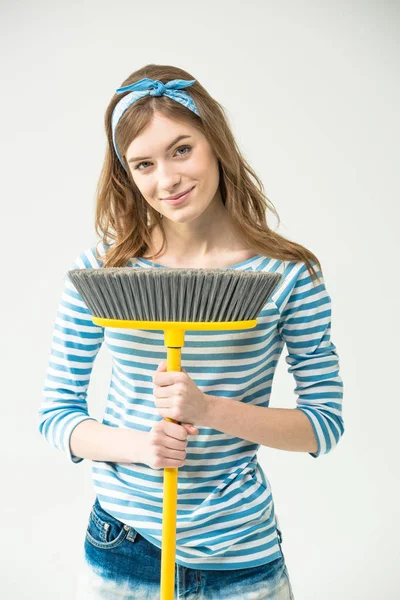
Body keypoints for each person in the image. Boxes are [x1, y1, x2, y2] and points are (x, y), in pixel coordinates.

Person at [38, 64, 344, 599]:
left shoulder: (287, 276)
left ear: (215, 144)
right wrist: (141, 445)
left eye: (182, 150)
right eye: (143, 164)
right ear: (127, 175)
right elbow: (56, 414)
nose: (168, 180)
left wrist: (208, 410)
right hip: (124, 543)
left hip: (241, 553)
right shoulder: (104, 273)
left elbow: (323, 426)